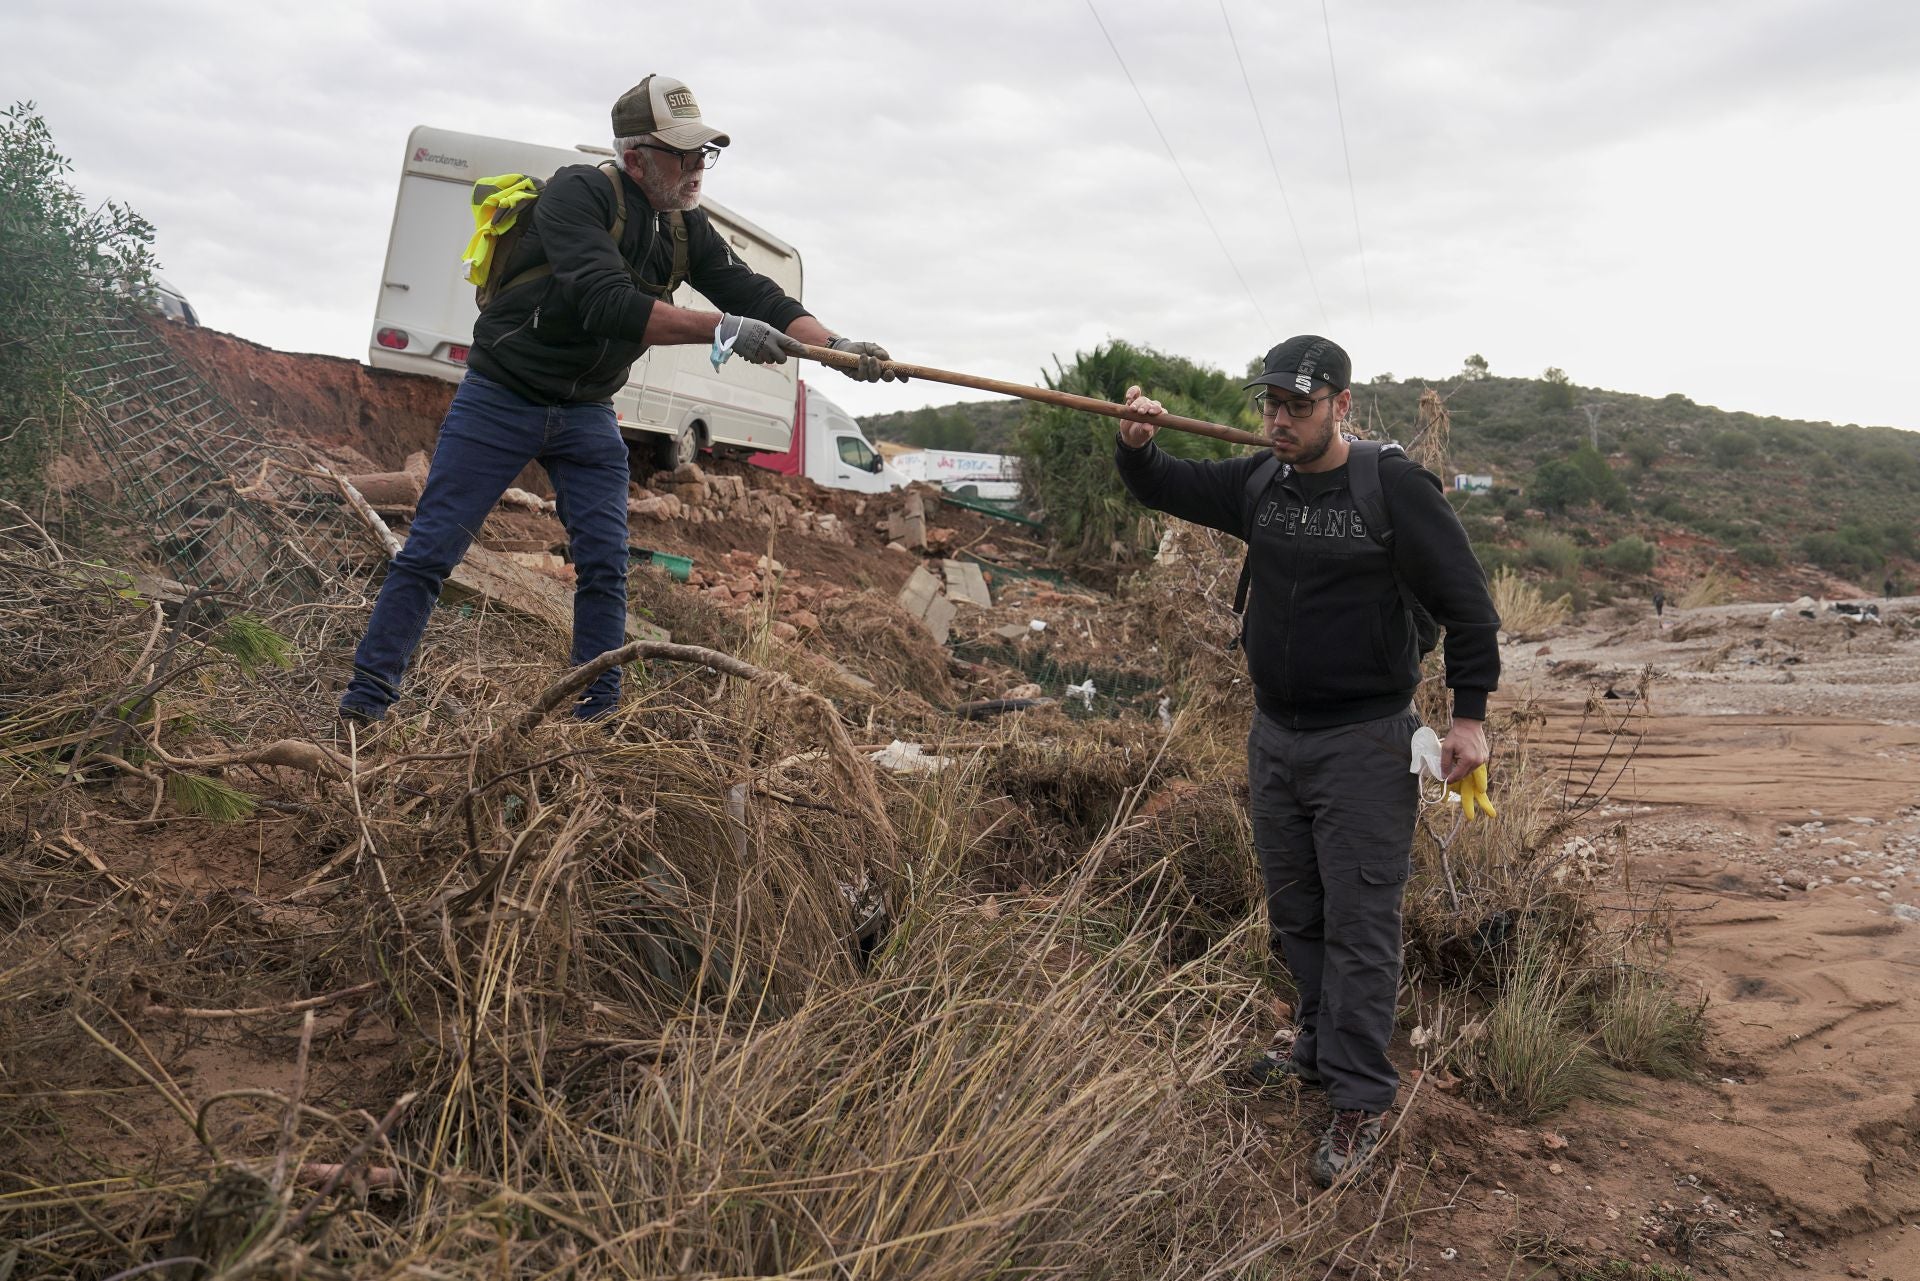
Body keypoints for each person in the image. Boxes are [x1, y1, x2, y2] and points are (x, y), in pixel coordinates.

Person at [340, 76, 899, 726]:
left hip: (586, 411)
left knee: (606, 563)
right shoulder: (579, 194)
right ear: (636, 156)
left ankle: (596, 718)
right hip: (504, 396)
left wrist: (834, 346)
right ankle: (365, 706)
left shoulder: (685, 226)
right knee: (434, 549)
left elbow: (754, 294)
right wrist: (720, 329)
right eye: (682, 153)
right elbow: (607, 302)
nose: (696, 169)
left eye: (703, 154)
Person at [1114, 335, 1500, 1187]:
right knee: (1297, 911)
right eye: (1271, 405)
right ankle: (1319, 1048)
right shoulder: (1262, 479)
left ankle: (1358, 1098)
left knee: (1361, 924)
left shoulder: (1392, 488)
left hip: (1366, 740)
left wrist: (1467, 719)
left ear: (1342, 405)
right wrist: (1137, 445)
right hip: (1275, 735)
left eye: (1298, 405)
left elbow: (1471, 609)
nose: (1279, 420)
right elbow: (1165, 486)